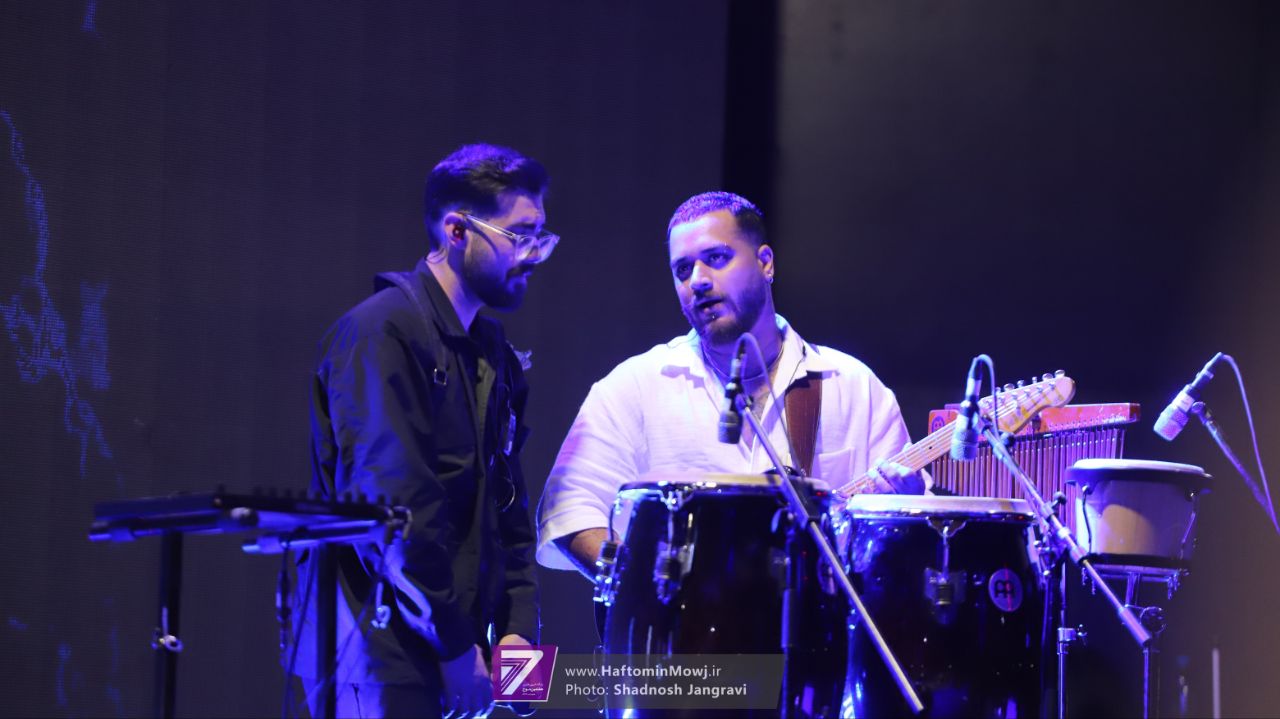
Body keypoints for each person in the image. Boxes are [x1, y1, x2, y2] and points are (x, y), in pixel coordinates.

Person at [294, 143, 557, 718]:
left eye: (541, 238)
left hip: (459, 657)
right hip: (381, 659)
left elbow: (509, 514)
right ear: (457, 231)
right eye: (520, 236)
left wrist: (518, 638)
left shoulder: (494, 354)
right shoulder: (382, 333)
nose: (534, 255)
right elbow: (395, 513)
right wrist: (456, 648)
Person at [536, 191, 926, 577]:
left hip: (814, 615)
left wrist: (904, 514)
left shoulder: (854, 386)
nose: (698, 281)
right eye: (682, 270)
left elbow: (911, 544)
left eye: (717, 258)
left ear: (765, 263)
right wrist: (636, 585)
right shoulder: (635, 386)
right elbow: (568, 509)